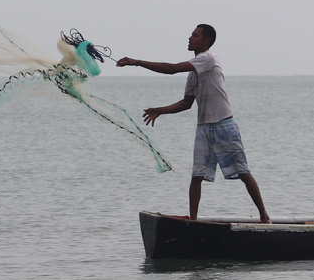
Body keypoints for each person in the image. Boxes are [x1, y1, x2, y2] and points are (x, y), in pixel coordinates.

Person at [116, 24, 272, 224]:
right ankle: (194, 221)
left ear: (206, 41)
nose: (190, 38)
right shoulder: (193, 72)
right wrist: (160, 110)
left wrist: (136, 62)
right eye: (191, 34)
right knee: (197, 175)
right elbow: (186, 103)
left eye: (195, 35)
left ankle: (264, 217)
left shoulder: (208, 58)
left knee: (242, 172)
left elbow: (172, 69)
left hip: (224, 125)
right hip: (204, 128)